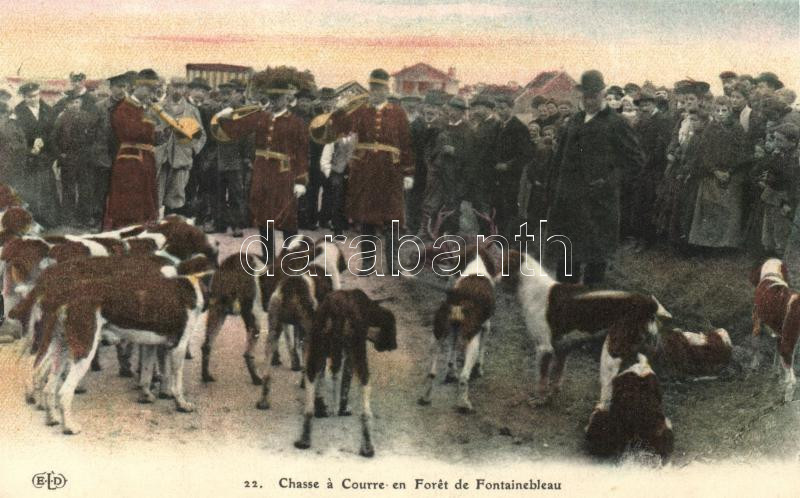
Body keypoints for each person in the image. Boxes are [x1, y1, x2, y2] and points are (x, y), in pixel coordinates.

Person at [546, 70, 644, 284]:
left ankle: (591, 305)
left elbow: (635, 161)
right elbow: (560, 158)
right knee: (567, 258)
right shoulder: (574, 120)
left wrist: (608, 183)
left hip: (598, 205)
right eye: (585, 96)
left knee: (594, 260)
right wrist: (554, 189)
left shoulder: (616, 123)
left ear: (602, 94)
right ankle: (568, 305)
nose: (589, 101)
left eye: (594, 96)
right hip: (569, 203)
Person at [212, 71, 309, 263]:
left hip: (284, 174)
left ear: (287, 98)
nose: (274, 102)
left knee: (287, 217)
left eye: (278, 98)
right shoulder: (260, 117)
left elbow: (302, 153)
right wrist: (223, 117)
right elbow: (235, 129)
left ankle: (290, 259)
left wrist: (301, 180)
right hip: (262, 172)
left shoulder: (297, 123)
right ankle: (268, 259)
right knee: (265, 218)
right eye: (271, 98)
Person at [327, 68, 414, 274]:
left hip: (391, 171)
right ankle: (367, 263)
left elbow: (406, 144)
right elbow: (338, 128)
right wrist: (341, 109)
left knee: (393, 217)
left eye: (380, 88)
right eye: (373, 87)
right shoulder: (359, 110)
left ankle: (393, 264)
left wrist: (409, 172)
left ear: (387, 89)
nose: (376, 91)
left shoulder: (398, 113)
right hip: (365, 170)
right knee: (367, 216)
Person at [686, 96, 749, 249]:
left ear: (729, 111)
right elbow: (704, 153)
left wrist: (730, 170)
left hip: (731, 174)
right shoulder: (710, 129)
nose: (721, 114)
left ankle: (726, 244)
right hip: (712, 174)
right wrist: (714, 170)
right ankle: (709, 243)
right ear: (713, 112)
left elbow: (742, 152)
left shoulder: (737, 128)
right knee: (711, 209)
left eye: (724, 110)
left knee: (728, 210)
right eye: (717, 110)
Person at [103, 69, 161, 229]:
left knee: (146, 199)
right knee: (130, 202)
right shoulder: (123, 108)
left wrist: (166, 130)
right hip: (130, 161)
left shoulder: (145, 109)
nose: (151, 93)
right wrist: (152, 124)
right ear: (138, 87)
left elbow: (154, 137)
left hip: (145, 159)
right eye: (149, 89)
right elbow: (131, 132)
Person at [155, 77, 206, 216]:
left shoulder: (191, 110)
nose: (177, 90)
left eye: (181, 87)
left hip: (181, 159)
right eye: (174, 86)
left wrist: (191, 149)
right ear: (169, 87)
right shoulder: (158, 107)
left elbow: (201, 135)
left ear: (185, 90)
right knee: (156, 196)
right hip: (161, 159)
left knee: (176, 198)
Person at [424, 96, 475, 236]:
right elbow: (429, 146)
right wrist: (431, 161)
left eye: (456, 110)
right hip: (439, 172)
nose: (452, 113)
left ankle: (451, 234)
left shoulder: (468, 130)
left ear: (462, 112)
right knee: (435, 203)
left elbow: (471, 155)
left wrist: (455, 152)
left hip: (456, 175)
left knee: (453, 205)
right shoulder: (442, 125)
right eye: (451, 109)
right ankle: (433, 233)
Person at [630, 90, 673, 249]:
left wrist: (648, 162)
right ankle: (639, 238)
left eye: (647, 104)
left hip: (655, 168)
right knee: (639, 202)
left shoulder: (663, 120)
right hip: (641, 167)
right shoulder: (640, 121)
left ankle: (649, 240)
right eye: (641, 106)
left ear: (654, 104)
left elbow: (663, 145)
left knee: (650, 202)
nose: (644, 108)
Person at [13, 82, 59, 227]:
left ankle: (50, 220)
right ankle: (33, 222)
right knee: (31, 189)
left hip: (45, 156)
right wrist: (32, 144)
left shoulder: (47, 110)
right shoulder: (18, 111)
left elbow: (53, 132)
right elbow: (17, 134)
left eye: (35, 95)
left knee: (47, 187)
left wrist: (43, 142)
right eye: (29, 97)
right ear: (24, 97)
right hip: (29, 157)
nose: (33, 99)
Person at [51, 95, 100, 227]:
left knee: (86, 188)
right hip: (69, 158)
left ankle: (84, 217)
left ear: (81, 103)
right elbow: (53, 139)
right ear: (67, 104)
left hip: (85, 158)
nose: (74, 105)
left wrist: (91, 152)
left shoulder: (88, 117)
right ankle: (69, 218)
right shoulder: (61, 118)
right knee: (69, 188)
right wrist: (60, 155)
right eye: (71, 102)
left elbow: (95, 136)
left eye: (77, 102)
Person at [211, 80, 251, 237]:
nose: (228, 97)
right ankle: (219, 223)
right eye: (225, 94)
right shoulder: (215, 110)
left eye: (232, 93)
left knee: (236, 193)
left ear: (240, 95)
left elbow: (248, 136)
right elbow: (210, 133)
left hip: (236, 158)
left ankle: (236, 225)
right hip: (217, 156)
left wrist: (247, 157)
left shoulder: (245, 113)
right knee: (217, 192)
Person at [491, 94, 534, 239]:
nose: (500, 112)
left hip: (512, 179)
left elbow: (526, 154)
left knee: (510, 210)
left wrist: (508, 166)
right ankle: (498, 239)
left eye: (503, 108)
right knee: (498, 210)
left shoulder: (519, 128)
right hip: (497, 177)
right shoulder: (498, 126)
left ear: (511, 108)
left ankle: (510, 242)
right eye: (498, 108)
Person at [93, 72, 133, 227]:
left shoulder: (132, 107)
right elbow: (93, 133)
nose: (121, 90)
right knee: (101, 192)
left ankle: (120, 224)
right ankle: (99, 222)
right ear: (111, 88)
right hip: (103, 156)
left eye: (124, 87)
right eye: (118, 87)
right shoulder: (99, 107)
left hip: (124, 155)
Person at [0, 102, 26, 189]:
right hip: (13, 161)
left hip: (8, 162)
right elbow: (22, 141)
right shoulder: (13, 123)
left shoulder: (11, 124)